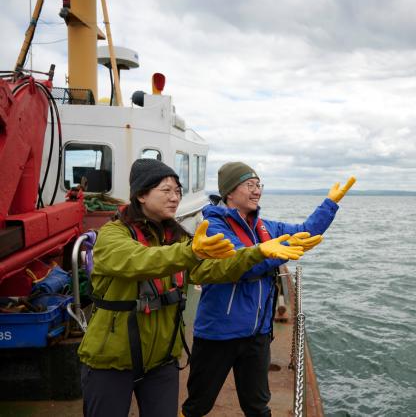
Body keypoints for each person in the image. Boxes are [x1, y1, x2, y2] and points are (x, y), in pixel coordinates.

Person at [77, 158, 306, 417]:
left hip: (161, 362)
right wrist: (192, 251)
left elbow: (212, 270)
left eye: (178, 191)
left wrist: (256, 253)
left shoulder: (178, 238)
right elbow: (140, 261)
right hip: (111, 360)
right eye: (166, 190)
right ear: (141, 195)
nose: (174, 198)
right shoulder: (113, 234)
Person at [181, 161, 356, 417]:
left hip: (258, 333)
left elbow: (305, 233)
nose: (257, 191)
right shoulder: (213, 227)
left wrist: (330, 204)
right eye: (249, 185)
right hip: (218, 334)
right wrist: (269, 252)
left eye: (258, 185)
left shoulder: (265, 228)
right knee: (198, 404)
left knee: (258, 406)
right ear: (229, 192)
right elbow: (239, 264)